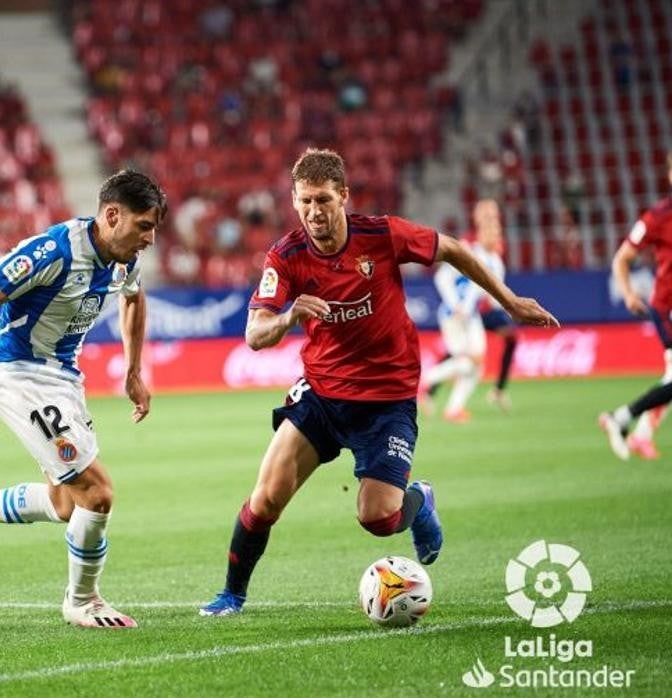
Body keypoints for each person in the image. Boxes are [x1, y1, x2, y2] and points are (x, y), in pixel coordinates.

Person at [199, 149, 558, 617]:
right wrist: (289, 316)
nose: (314, 212)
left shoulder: (382, 235)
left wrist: (508, 302)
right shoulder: (285, 255)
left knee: (378, 518)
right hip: (323, 395)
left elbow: (451, 248)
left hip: (386, 399)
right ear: (293, 199)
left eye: (324, 200)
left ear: (344, 196)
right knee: (266, 498)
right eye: (305, 201)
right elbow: (253, 334)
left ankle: (419, 499)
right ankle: (232, 595)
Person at [0, 170, 165, 629]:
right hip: (20, 376)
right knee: (97, 492)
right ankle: (82, 601)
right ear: (112, 215)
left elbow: (133, 299)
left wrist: (133, 371)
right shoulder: (54, 250)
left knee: (67, 503)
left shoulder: (125, 258)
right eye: (144, 226)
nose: (150, 238)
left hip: (64, 379)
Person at [598, 153, 672, 460]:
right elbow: (622, 258)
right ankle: (623, 420)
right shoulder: (657, 217)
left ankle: (635, 429)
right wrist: (628, 293)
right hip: (666, 308)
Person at [422, 199, 512, 421]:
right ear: (481, 233)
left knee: (476, 367)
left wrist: (509, 306)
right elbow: (443, 277)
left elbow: (492, 297)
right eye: (491, 232)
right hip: (453, 316)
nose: (495, 236)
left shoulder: (496, 263)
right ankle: (426, 380)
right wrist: (456, 305)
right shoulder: (468, 252)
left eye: (498, 232)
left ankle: (453, 409)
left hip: (471, 317)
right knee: (466, 361)